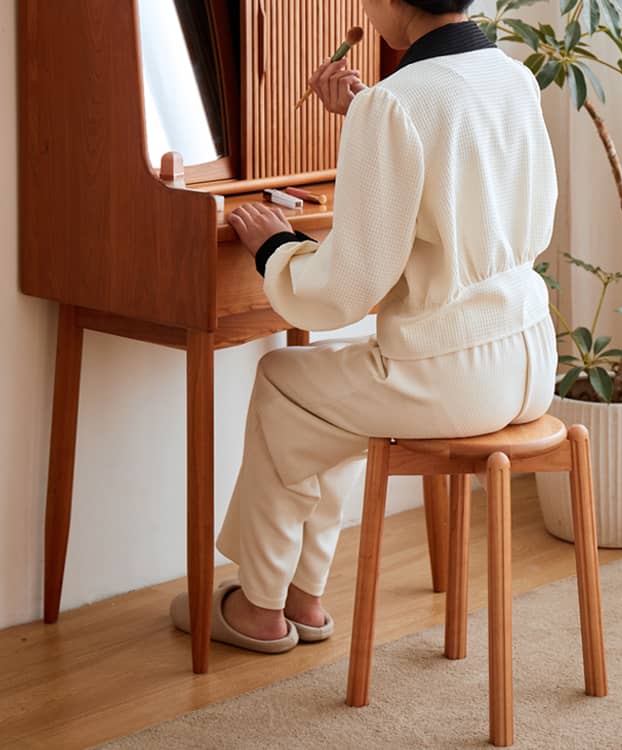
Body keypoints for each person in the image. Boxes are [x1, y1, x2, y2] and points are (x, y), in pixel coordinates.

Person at [170, 0, 559, 653]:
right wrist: (366, 119)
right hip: (530, 356)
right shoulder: (512, 77)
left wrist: (276, 249)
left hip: (455, 378)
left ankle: (259, 608)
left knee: (281, 380)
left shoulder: (398, 103)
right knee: (329, 404)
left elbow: (346, 290)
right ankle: (303, 597)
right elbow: (475, 170)